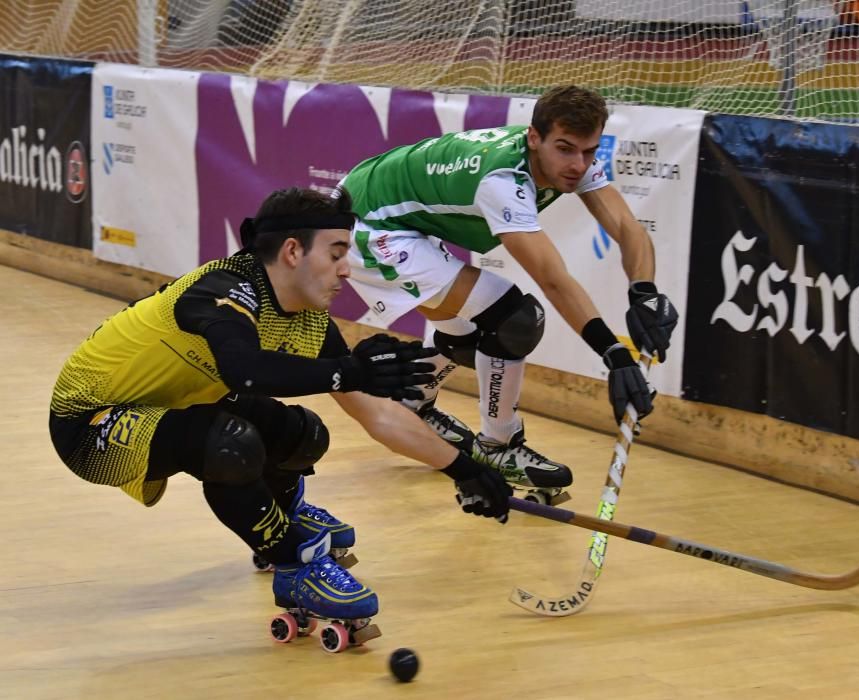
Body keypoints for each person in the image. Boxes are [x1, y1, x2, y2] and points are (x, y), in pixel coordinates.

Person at [49, 186, 513, 636]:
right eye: (335, 253)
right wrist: (347, 372)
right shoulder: (223, 288)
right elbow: (245, 373)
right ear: (293, 251)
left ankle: (282, 512)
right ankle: (295, 561)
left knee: (304, 435)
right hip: (90, 423)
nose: (346, 270)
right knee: (230, 444)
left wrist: (464, 468)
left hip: (174, 404)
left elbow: (380, 416)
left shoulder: (309, 318)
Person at [340, 85, 678, 499]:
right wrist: (614, 353)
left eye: (589, 152)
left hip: (390, 209)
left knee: (469, 337)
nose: (578, 165)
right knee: (514, 318)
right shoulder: (502, 180)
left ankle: (414, 401)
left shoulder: (570, 157)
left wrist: (643, 292)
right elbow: (552, 279)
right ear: (534, 138)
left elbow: (628, 228)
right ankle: (499, 446)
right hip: (368, 225)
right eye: (566, 149)